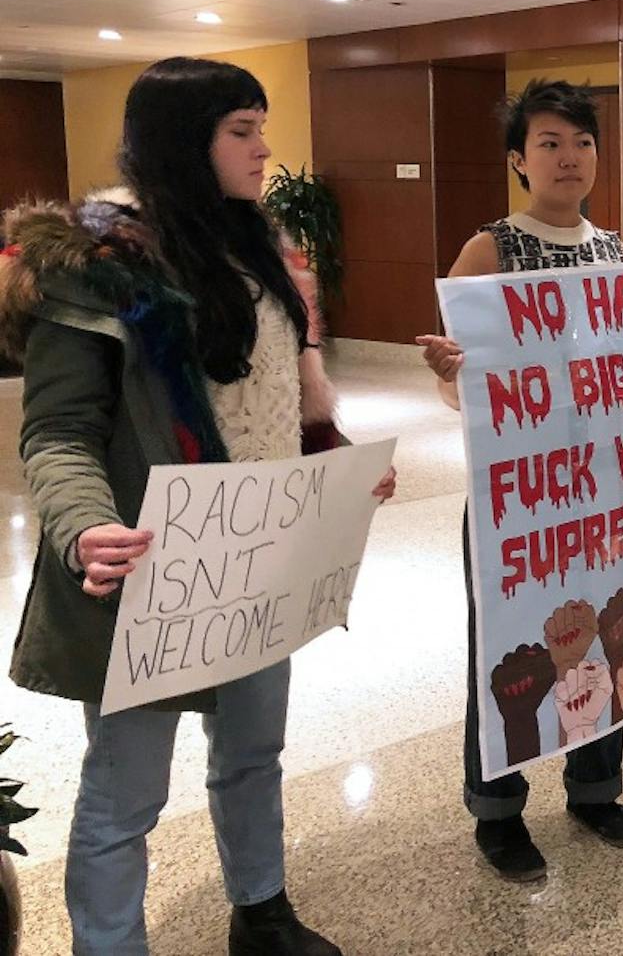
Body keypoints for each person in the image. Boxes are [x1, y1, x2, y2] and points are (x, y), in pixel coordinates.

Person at [1, 57, 395, 956]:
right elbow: (58, 432)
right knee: (125, 793)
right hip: (141, 569)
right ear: (184, 142)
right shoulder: (98, 270)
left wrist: (334, 472)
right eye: (241, 131)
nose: (264, 149)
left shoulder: (254, 245)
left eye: (261, 127)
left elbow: (288, 400)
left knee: (255, 751)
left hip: (254, 559)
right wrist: (82, 528)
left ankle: (261, 909)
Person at [418, 80, 623, 879]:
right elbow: (463, 373)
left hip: (607, 488)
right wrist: (453, 373)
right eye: (549, 144)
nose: (569, 159)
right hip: (522, 496)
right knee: (508, 644)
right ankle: (496, 809)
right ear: (518, 160)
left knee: (614, 625)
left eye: (582, 143)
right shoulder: (491, 248)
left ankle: (595, 786)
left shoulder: (615, 253)